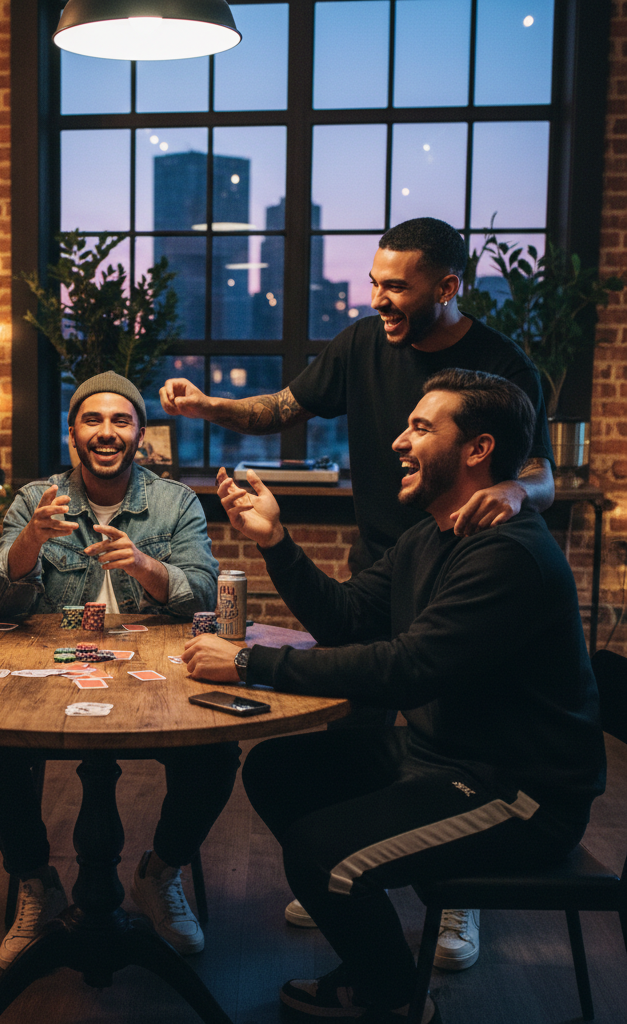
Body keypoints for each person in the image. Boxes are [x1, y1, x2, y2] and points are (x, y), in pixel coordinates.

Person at [160, 216, 556, 963]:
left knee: (452, 715)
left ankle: (451, 891)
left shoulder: (502, 372)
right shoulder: (363, 348)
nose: (377, 298)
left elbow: (537, 471)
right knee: (352, 730)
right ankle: (351, 870)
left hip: (471, 564)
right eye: (374, 282)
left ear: (447, 286)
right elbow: (282, 408)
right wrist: (214, 417)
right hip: (401, 550)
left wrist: (513, 493)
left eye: (395, 286)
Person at [182, 369, 605, 1023]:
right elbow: (347, 618)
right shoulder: (430, 536)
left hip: (520, 793)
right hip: (445, 756)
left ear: (478, 449)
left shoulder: (508, 554)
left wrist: (246, 662)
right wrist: (275, 540)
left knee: (318, 854)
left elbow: (407, 669)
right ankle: (373, 950)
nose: (398, 442)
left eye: (421, 428)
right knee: (276, 770)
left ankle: (390, 995)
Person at [0, 371, 238, 966]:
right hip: (54, 673)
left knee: (217, 753)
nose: (106, 431)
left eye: (121, 420)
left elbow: (205, 593)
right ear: (72, 432)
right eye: (92, 419)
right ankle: (36, 881)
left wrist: (144, 564)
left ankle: (159, 872)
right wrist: (29, 542)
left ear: (140, 434)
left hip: (158, 679)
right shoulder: (37, 499)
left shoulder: (175, 501)